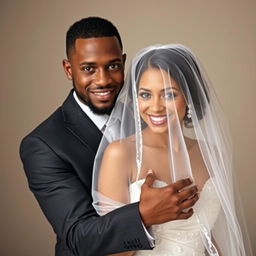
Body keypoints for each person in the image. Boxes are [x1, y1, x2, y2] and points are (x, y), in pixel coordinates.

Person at [20, 18, 199, 256]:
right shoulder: (43, 145)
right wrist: (144, 214)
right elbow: (78, 236)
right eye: (88, 69)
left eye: (113, 66)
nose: (103, 80)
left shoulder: (150, 116)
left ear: (124, 62)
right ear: (68, 69)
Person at [92, 44, 253, 255]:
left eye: (169, 95)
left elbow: (206, 236)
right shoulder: (120, 154)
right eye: (145, 95)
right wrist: (144, 217)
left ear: (189, 96)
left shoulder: (213, 154)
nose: (156, 107)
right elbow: (109, 252)